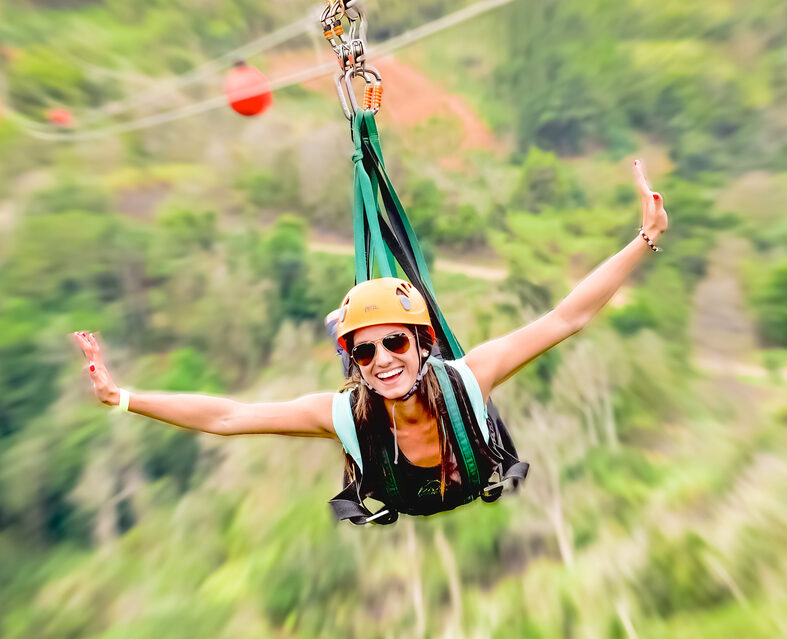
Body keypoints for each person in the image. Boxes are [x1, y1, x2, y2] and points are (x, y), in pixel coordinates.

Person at [73, 159, 667, 520]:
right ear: (354, 364)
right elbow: (229, 417)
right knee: (359, 338)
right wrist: (122, 397)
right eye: (365, 352)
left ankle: (348, 319)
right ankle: (343, 322)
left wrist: (643, 239)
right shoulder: (343, 416)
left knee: (375, 326)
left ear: (422, 343)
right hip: (400, 485)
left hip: (456, 454)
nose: (383, 361)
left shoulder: (468, 379)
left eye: (394, 346)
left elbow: (565, 318)